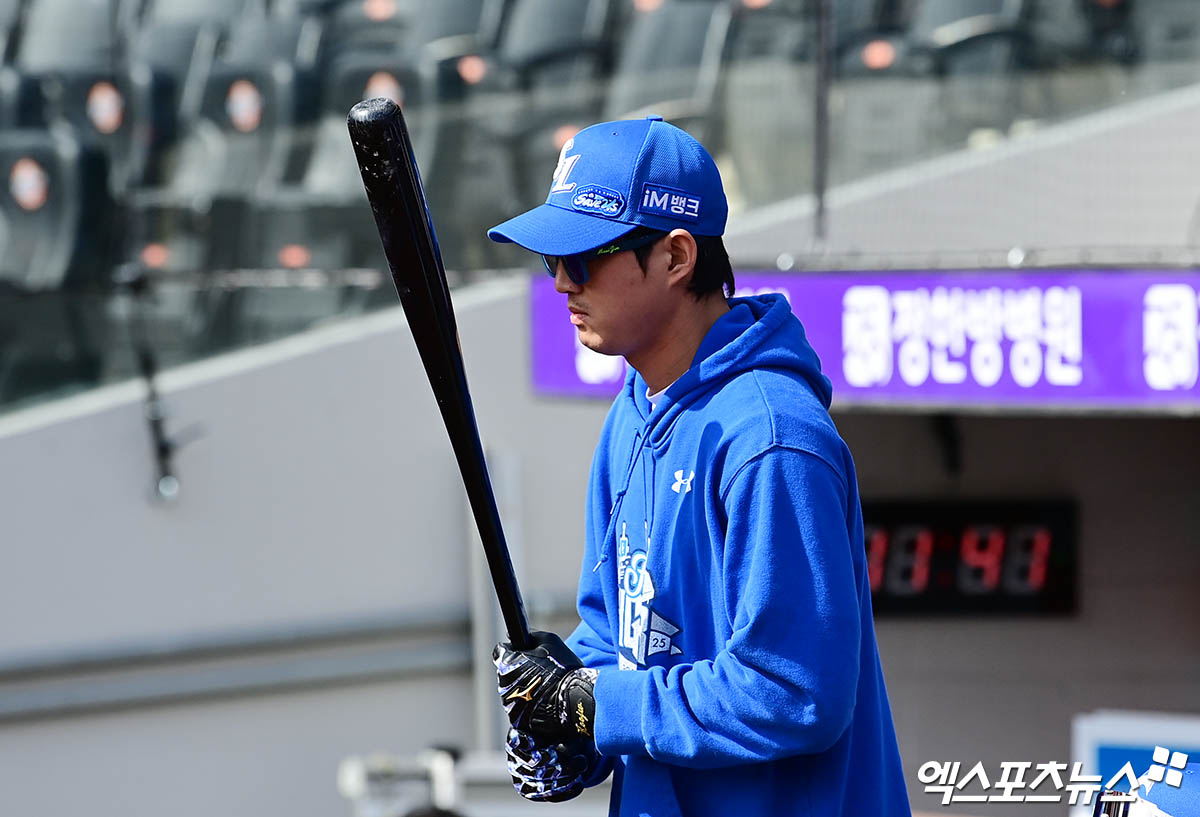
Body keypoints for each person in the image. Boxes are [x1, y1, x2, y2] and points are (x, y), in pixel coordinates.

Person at [486, 115, 911, 816]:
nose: (562, 281)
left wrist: (600, 705)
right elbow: (619, 638)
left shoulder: (772, 438)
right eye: (549, 260)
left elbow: (793, 691)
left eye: (583, 256)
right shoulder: (632, 412)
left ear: (678, 257)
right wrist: (571, 729)